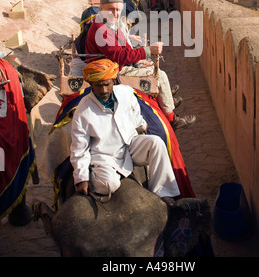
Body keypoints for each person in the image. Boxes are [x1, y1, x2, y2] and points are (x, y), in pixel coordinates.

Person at [70, 59, 180, 206]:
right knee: (108, 184)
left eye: (106, 84)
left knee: (156, 143)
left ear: (114, 81)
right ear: (91, 85)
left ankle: (162, 192)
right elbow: (79, 148)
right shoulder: (83, 111)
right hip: (105, 156)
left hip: (130, 144)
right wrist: (81, 178)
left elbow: (135, 114)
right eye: (98, 86)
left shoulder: (126, 93)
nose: (103, 90)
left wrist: (142, 125)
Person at [85, 0, 196, 131]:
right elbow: (119, 56)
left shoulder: (110, 25)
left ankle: (166, 103)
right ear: (101, 9)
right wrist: (149, 50)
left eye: (118, 10)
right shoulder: (101, 29)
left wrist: (138, 62)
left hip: (115, 65)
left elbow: (124, 49)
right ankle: (172, 118)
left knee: (154, 69)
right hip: (110, 71)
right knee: (160, 75)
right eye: (111, 9)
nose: (115, 13)